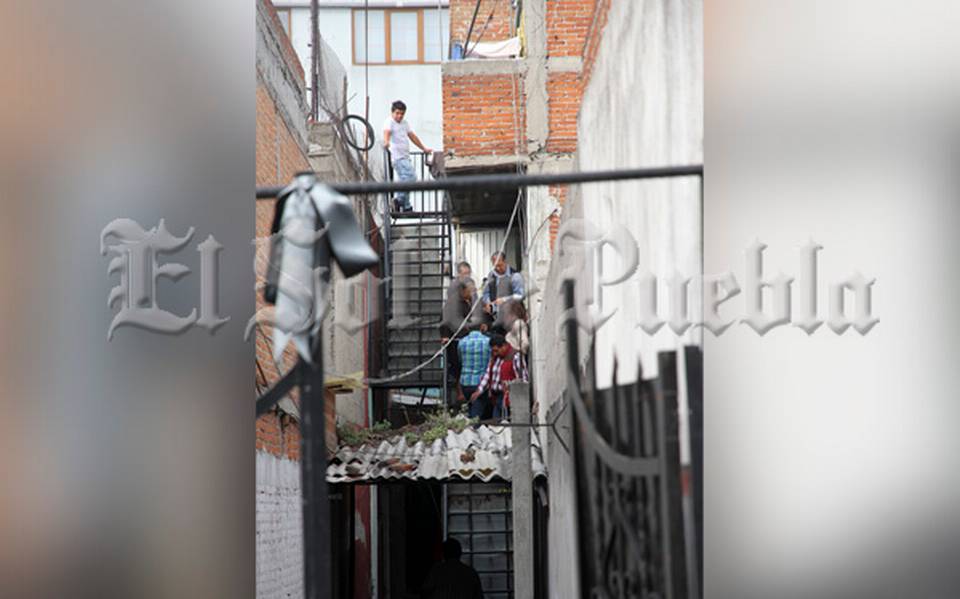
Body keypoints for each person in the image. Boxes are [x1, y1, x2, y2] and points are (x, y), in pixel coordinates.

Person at [383, 100, 431, 212]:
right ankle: (398, 200)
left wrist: (423, 148)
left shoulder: (404, 123)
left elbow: (412, 136)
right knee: (411, 177)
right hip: (397, 157)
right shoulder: (389, 122)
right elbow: (387, 133)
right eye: (397, 113)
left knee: (405, 180)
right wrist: (386, 142)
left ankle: (406, 206)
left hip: (405, 156)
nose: (399, 116)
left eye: (402, 114)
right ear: (392, 112)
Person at [471, 334, 528, 421]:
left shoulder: (515, 356)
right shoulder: (496, 358)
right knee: (496, 423)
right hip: (497, 398)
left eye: (496, 351)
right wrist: (479, 390)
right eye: (493, 351)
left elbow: (523, 379)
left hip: (509, 399)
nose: (494, 353)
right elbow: (487, 374)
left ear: (504, 346)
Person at [458, 323, 492, 419]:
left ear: (468, 328)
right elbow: (492, 360)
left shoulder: (462, 342)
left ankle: (471, 428)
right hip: (480, 383)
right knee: (477, 413)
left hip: (465, 382)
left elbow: (460, 360)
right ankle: (474, 429)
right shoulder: (488, 341)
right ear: (482, 327)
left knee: (472, 408)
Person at [482, 251, 524, 319]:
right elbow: (486, 292)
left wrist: (504, 300)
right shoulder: (491, 275)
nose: (498, 268)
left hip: (512, 315)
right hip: (496, 316)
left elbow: (520, 296)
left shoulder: (515, 276)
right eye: (495, 266)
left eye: (500, 265)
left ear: (505, 262)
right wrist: (489, 303)